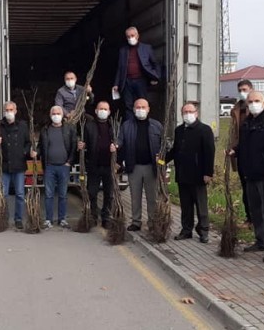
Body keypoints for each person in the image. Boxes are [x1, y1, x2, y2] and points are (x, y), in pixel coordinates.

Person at [231, 91, 264, 262]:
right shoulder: (248, 123)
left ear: (263, 101)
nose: (253, 104)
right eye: (250, 101)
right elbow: (245, 145)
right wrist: (235, 151)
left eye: (256, 101)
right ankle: (261, 240)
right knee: (256, 211)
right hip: (250, 174)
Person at [167, 102, 214, 243]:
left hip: (199, 175)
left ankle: (203, 230)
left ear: (196, 113)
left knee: (201, 205)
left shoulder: (204, 130)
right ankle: (186, 230)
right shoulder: (179, 130)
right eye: (185, 112)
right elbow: (175, 150)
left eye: (190, 111)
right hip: (182, 174)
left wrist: (208, 173)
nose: (187, 114)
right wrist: (162, 160)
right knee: (185, 205)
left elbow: (209, 152)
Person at [117, 98, 163, 231]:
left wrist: (162, 160)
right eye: (138, 107)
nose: (140, 110)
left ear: (148, 109)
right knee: (135, 196)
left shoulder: (156, 126)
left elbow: (163, 145)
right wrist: (117, 153)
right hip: (134, 166)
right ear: (133, 109)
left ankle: (153, 222)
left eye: (143, 107)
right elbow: (121, 143)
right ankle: (136, 222)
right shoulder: (127, 125)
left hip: (151, 167)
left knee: (152, 197)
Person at [0, 101, 36, 229]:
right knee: (4, 194)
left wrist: (24, 152)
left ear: (16, 111)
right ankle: (3, 218)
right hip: (4, 165)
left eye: (11, 110)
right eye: (6, 110)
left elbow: (29, 142)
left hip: (19, 165)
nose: (9, 112)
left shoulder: (23, 125)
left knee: (19, 193)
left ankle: (18, 219)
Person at [78, 101, 118, 228]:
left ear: (109, 111)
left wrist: (117, 149)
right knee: (92, 192)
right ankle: (93, 216)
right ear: (96, 111)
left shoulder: (114, 125)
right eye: (100, 109)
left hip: (109, 165)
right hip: (94, 164)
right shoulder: (89, 126)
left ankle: (106, 217)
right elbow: (84, 142)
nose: (102, 111)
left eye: (105, 109)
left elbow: (121, 142)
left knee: (109, 193)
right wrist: (82, 145)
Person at [227, 79, 262, 225]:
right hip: (240, 151)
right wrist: (232, 147)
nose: (243, 92)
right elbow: (233, 131)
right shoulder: (237, 108)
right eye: (240, 90)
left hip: (256, 153)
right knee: (245, 186)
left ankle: (260, 218)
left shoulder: (259, 106)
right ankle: (250, 217)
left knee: (258, 188)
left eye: (245, 89)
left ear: (251, 89)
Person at [38, 105, 77, 229]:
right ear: (50, 116)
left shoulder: (69, 129)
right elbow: (40, 146)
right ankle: (48, 219)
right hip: (49, 166)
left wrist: (69, 162)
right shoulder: (45, 130)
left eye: (58, 113)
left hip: (63, 166)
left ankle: (62, 219)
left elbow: (73, 146)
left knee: (63, 194)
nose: (56, 116)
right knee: (49, 194)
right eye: (53, 113)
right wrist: (36, 152)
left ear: (62, 115)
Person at [112, 27, 161, 119]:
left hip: (141, 80)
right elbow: (120, 68)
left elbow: (155, 63)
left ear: (137, 36)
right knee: (128, 105)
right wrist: (116, 84)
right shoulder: (123, 50)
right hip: (127, 81)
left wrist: (156, 77)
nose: (130, 38)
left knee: (142, 103)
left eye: (132, 35)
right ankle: (130, 127)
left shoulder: (146, 48)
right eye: (128, 36)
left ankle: (144, 124)